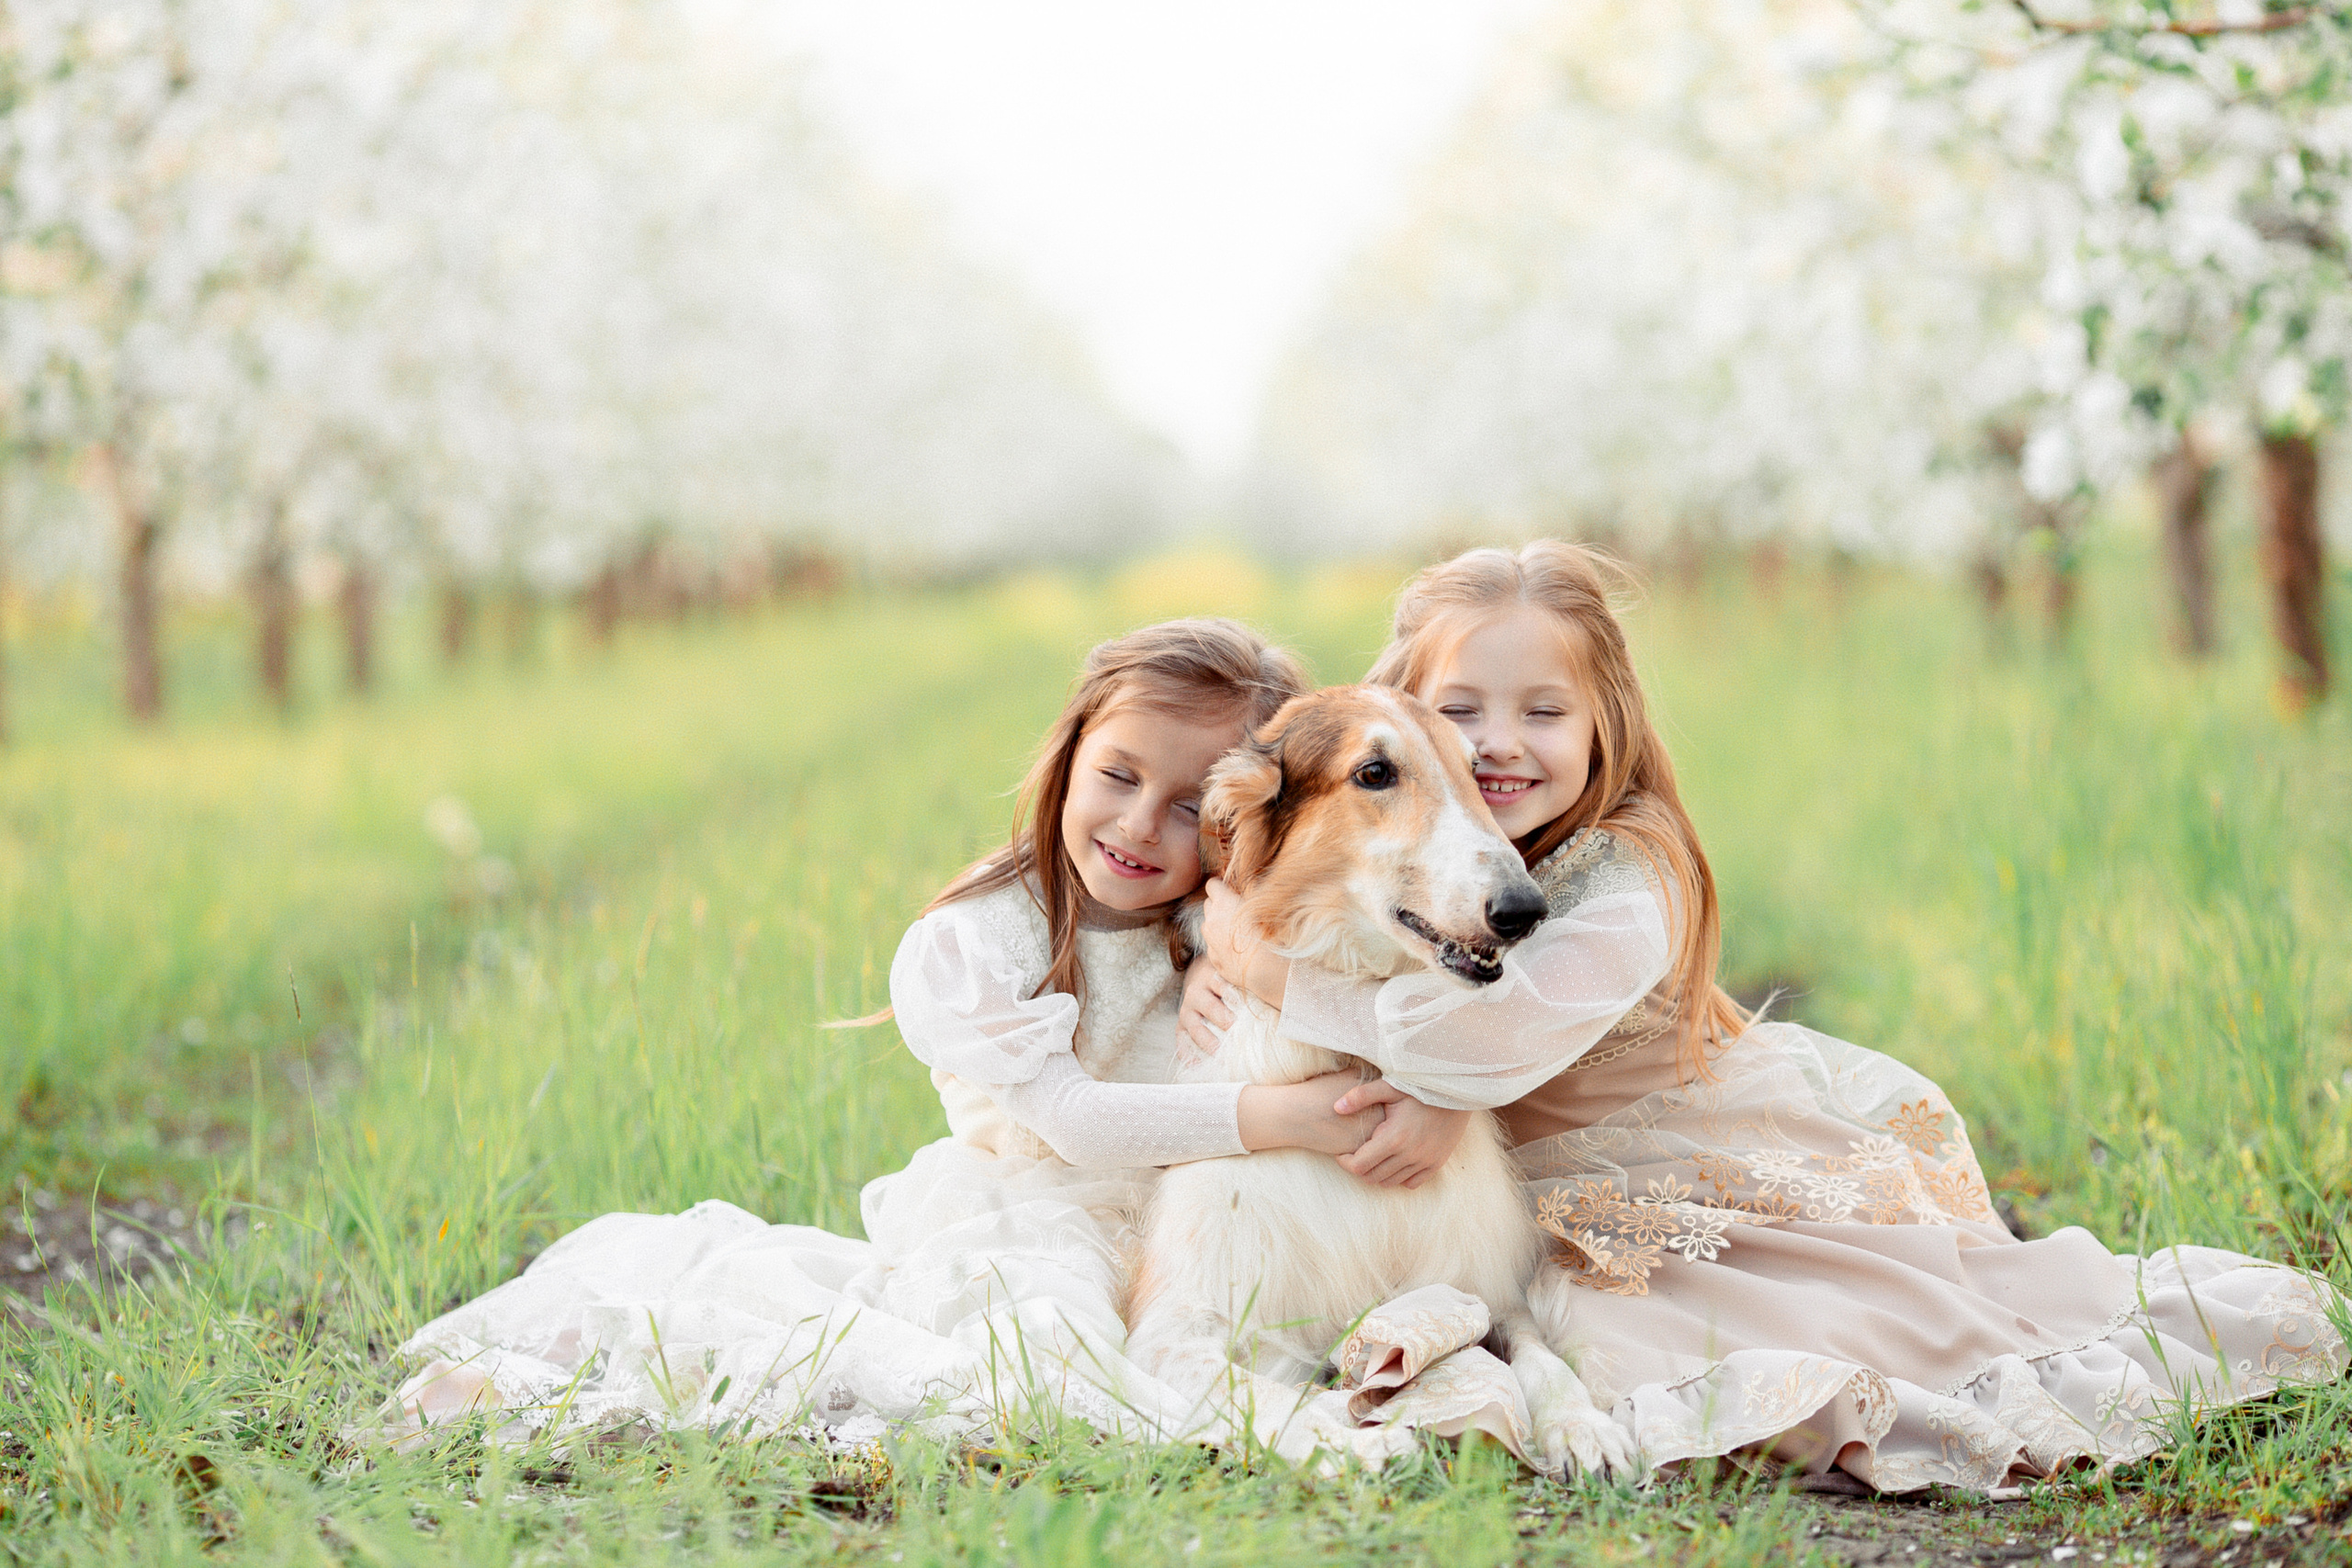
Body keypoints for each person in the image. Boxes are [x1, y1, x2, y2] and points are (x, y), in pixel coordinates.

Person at [1183, 540, 2347, 1493]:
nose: (1496, 743)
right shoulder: (1448, 858)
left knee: (1682, 1346)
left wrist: (1293, 992)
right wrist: (1213, 946)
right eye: (1458, 709)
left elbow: (1476, 1044)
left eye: (1544, 709)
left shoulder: (1631, 875)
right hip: (1533, 1174)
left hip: (1683, 1165)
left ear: (1606, 722)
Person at [384, 619, 1380, 1451]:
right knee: (1032, 1381)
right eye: (1116, 775)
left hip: (1186, 1236)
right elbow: (1074, 1122)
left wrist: (1227, 951)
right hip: (1035, 1225)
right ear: (1069, 753)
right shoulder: (974, 945)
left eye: (1187, 808)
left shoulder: (1219, 926)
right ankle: (559, 1393)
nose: (1136, 824)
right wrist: (1290, 1117)